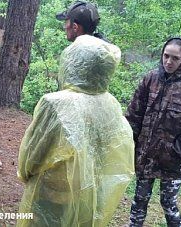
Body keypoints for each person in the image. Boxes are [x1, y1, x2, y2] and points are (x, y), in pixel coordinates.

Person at [17, 35, 135, 227]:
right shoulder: (111, 104)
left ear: (73, 63)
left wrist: (25, 173)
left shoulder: (56, 104)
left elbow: (34, 154)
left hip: (50, 194)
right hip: (88, 196)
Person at [126, 37, 181, 227]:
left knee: (168, 203)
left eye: (175, 58)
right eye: (166, 56)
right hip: (145, 155)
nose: (169, 62)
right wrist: (129, 141)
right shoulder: (150, 79)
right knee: (139, 199)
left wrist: (174, 150)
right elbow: (134, 114)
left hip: (174, 161)